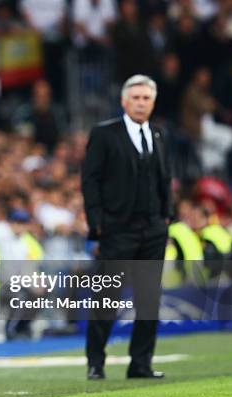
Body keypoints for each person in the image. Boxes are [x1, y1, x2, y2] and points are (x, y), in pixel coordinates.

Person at [81, 74, 173, 380]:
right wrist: (96, 225)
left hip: (153, 230)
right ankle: (96, 362)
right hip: (116, 230)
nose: (141, 103)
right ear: (124, 101)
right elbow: (90, 181)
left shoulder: (159, 134)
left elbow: (165, 178)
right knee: (107, 297)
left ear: (153, 102)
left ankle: (141, 363)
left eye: (146, 98)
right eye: (135, 98)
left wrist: (166, 215)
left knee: (149, 299)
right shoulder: (104, 134)